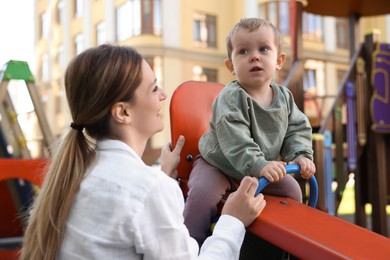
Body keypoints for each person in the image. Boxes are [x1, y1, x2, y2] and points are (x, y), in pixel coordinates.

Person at [20, 44, 267, 260]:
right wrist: (232, 221)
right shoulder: (149, 189)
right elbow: (142, 197)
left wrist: (164, 175)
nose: (163, 95)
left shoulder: (76, 172)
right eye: (153, 88)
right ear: (123, 113)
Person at [183, 17, 316, 247]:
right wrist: (260, 165)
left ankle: (267, 247)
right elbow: (236, 141)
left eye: (263, 49)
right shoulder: (231, 98)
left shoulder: (284, 98)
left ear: (279, 60)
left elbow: (297, 128)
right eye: (243, 51)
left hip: (259, 169)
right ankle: (188, 244)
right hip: (219, 165)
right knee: (203, 194)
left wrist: (301, 155)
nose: (254, 56)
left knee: (292, 191)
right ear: (231, 66)